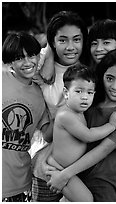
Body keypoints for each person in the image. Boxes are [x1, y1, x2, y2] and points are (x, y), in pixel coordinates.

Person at [45, 49, 116, 202]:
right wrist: (47, 163)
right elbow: (57, 138)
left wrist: (64, 174)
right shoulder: (88, 105)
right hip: (77, 179)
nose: (115, 86)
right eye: (109, 78)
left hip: (105, 184)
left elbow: (103, 150)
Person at [31, 10, 89, 202]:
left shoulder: (90, 71)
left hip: (82, 163)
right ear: (52, 42)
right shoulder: (38, 65)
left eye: (77, 39)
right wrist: (48, 55)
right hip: (48, 162)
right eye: (62, 40)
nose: (71, 47)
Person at [2, 32, 52, 201]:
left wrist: (65, 108)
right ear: (9, 61)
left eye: (31, 55)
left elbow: (48, 134)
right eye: (19, 58)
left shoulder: (40, 93)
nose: (28, 62)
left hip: (20, 184)